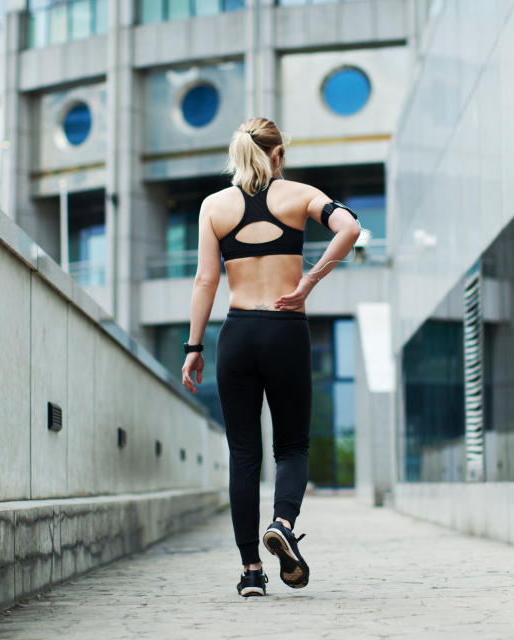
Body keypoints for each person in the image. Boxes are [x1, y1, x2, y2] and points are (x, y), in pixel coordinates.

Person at [180, 117, 360, 597]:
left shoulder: (214, 207)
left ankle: (251, 571)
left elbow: (205, 281)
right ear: (278, 154)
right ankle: (282, 520)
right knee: (292, 447)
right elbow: (350, 227)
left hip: (237, 335)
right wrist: (309, 281)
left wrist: (194, 348)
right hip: (285, 331)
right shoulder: (299, 195)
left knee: (244, 454)